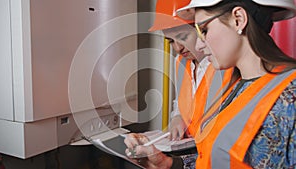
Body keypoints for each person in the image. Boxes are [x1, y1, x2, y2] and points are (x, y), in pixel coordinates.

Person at [124, 0, 296, 168]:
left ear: (238, 19)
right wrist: (170, 164)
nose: (199, 45)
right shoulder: (237, 89)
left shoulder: (290, 97)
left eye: (204, 30)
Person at [148, 0, 209, 140]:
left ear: (201, 28)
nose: (178, 48)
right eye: (171, 41)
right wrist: (177, 117)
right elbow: (181, 102)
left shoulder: (222, 65)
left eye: (182, 37)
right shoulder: (180, 62)